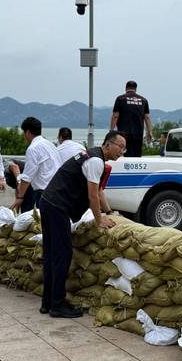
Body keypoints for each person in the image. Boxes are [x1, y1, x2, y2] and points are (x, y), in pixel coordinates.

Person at [39, 130, 124, 317]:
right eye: (120, 147)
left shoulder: (93, 156)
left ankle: (48, 302)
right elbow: (92, 194)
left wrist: (108, 211)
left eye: (124, 149)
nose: (122, 151)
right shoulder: (95, 161)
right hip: (57, 206)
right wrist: (99, 219)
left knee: (52, 254)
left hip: (49, 202)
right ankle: (57, 305)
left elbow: (99, 190)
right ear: (108, 144)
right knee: (62, 254)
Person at [10, 117, 62, 211]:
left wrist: (20, 197)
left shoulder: (33, 149)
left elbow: (27, 177)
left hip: (44, 193)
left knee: (45, 222)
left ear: (28, 132)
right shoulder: (49, 144)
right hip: (57, 189)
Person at [110, 80, 153, 157]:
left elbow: (115, 116)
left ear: (126, 88)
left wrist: (111, 130)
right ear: (136, 89)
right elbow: (147, 117)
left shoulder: (120, 99)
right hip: (138, 133)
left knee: (126, 154)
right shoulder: (143, 100)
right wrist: (149, 131)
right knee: (137, 155)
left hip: (124, 133)